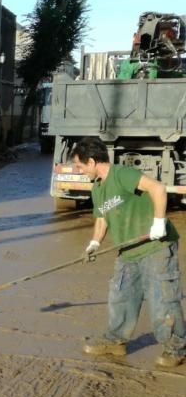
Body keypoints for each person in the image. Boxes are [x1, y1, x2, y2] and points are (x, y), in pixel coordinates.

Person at [73, 137, 186, 367]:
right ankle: (115, 340)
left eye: (80, 166)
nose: (78, 171)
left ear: (92, 161)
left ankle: (176, 348)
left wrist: (158, 222)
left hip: (156, 246)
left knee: (162, 299)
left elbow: (157, 188)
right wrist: (94, 243)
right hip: (128, 250)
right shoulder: (98, 188)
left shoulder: (121, 174)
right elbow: (102, 218)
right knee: (121, 295)